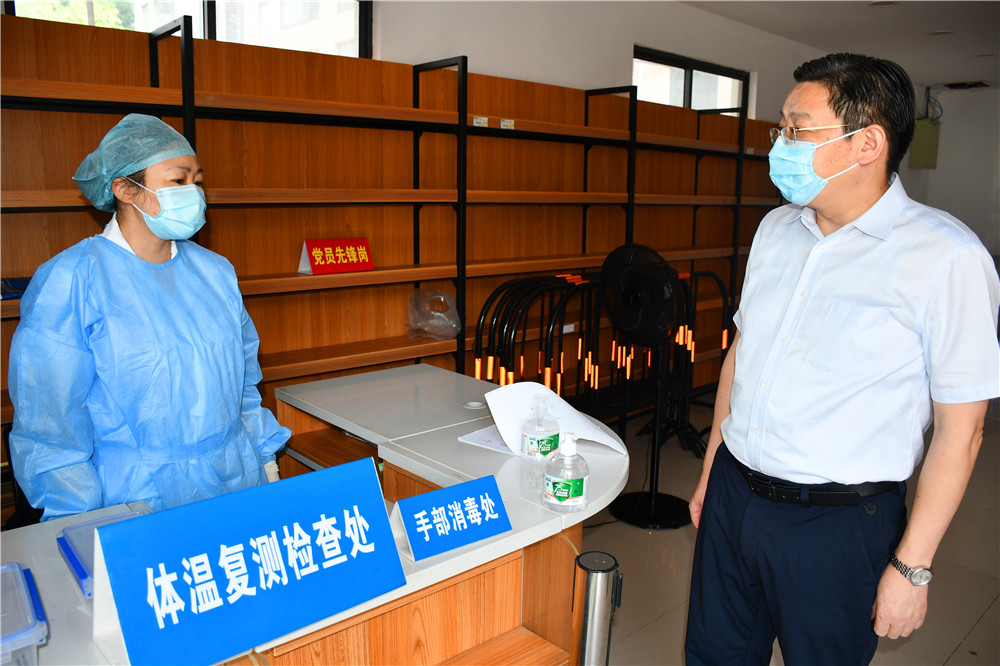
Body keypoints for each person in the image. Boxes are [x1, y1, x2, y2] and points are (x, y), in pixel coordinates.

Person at [685, 53, 1000, 665]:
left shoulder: (946, 257)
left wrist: (911, 568)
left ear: (867, 144)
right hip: (733, 494)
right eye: (781, 128)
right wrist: (711, 471)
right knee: (713, 655)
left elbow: (962, 431)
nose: (781, 145)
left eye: (798, 129)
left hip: (838, 524)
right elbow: (743, 358)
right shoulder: (776, 230)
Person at [8, 114, 291, 520]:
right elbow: (51, 428)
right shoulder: (73, 280)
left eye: (197, 181)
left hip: (235, 480)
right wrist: (80, 521)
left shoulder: (214, 272)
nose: (193, 193)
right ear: (125, 189)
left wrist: (265, 459)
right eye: (178, 180)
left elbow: (243, 384)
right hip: (134, 500)